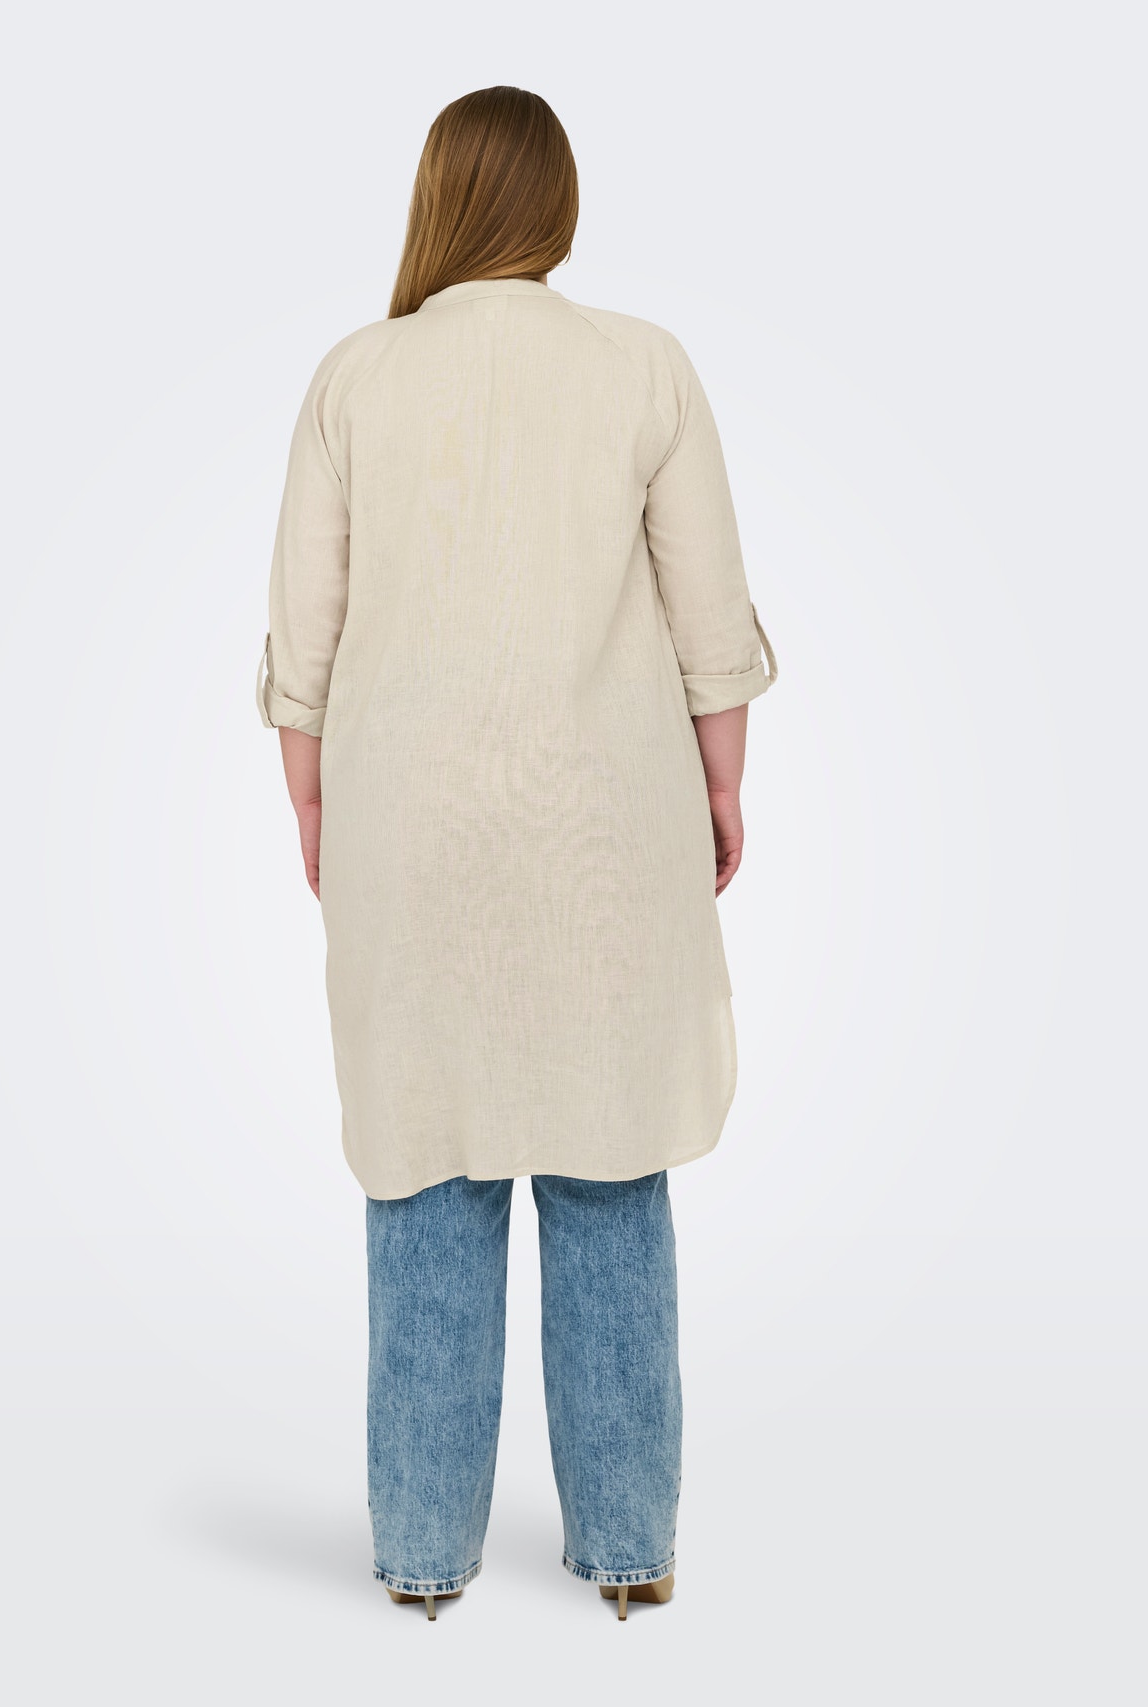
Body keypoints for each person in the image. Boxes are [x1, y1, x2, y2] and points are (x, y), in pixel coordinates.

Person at [255, 85, 777, 1621]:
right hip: (607, 822)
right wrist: (721, 787)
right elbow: (709, 615)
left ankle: (423, 1558)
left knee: (425, 1165)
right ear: (558, 205)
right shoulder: (643, 364)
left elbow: (305, 634)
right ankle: (630, 1555)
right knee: (610, 1160)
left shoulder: (356, 377)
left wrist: (314, 808)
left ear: (438, 198)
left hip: (408, 825)